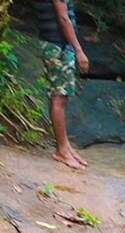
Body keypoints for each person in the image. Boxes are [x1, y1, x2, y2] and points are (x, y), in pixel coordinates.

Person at [32, 0, 90, 170]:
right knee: (59, 98)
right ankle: (62, 151)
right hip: (59, 46)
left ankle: (65, 147)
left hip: (52, 43)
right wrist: (78, 50)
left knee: (56, 96)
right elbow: (63, 18)